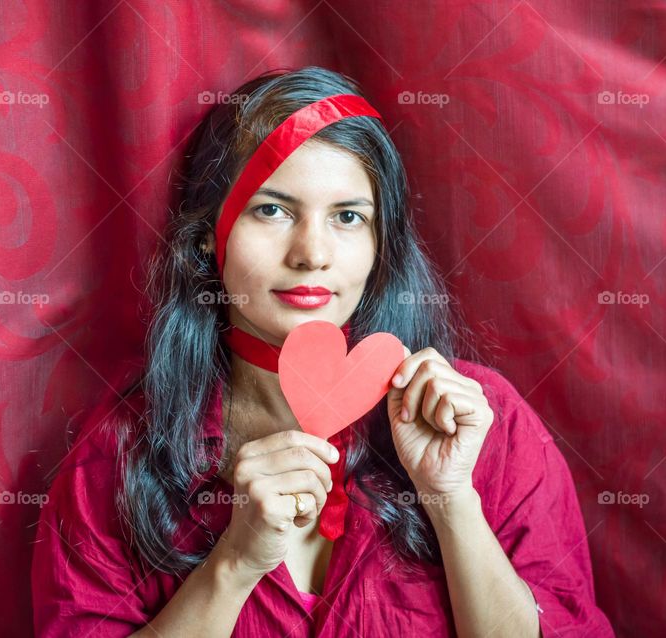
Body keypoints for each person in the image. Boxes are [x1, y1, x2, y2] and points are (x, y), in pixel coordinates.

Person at [31, 66, 614, 637]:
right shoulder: (120, 458)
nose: (312, 253)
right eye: (272, 209)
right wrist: (234, 565)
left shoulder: (487, 424)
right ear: (209, 233)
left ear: (380, 242)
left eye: (347, 217)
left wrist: (450, 499)